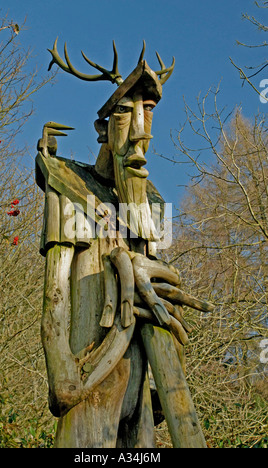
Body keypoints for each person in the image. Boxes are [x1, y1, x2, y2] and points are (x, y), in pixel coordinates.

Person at [36, 42, 213, 448]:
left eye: (148, 109)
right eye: (124, 112)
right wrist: (61, 367)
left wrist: (157, 276)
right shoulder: (67, 185)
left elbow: (161, 277)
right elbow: (56, 294)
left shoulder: (150, 201)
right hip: (90, 381)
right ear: (102, 128)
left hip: (144, 380)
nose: (140, 128)